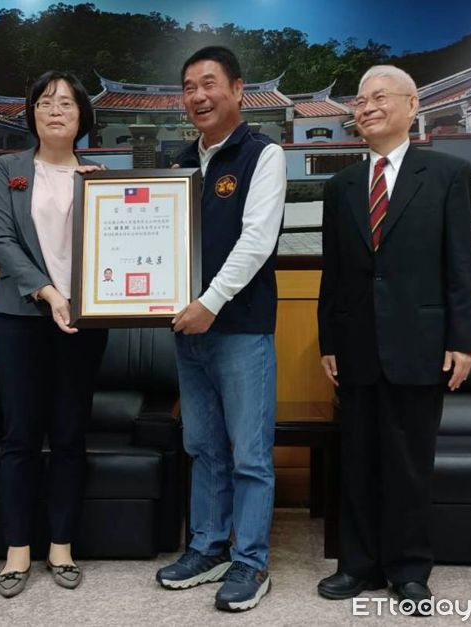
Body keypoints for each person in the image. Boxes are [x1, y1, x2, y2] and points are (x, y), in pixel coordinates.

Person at [316, 65, 471, 609]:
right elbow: (333, 274)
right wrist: (327, 342)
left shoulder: (448, 173)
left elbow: (461, 264)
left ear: (412, 106)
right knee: (357, 460)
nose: (365, 108)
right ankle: (356, 566)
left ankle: (410, 569)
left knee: (410, 463)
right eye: (359, 101)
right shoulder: (340, 186)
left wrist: (464, 339)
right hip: (356, 344)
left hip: (422, 342)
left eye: (378, 97)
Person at [155, 46, 286, 612]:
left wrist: (210, 301)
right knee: (202, 445)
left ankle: (251, 562)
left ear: (237, 89)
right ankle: (207, 546)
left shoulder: (264, 154)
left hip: (241, 328)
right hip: (189, 330)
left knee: (250, 452)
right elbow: (155, 239)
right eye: (188, 87)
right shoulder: (178, 161)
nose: (198, 96)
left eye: (209, 83)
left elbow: (257, 241)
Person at [0, 71, 108, 599]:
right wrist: (49, 293)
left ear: (83, 116)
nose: (55, 110)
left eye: (66, 103)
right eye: (44, 102)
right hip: (19, 318)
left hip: (85, 322)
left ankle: (61, 545)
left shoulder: (100, 176)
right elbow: (3, 242)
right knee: (19, 435)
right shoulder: (6, 170)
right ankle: (17, 549)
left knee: (69, 434)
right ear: (32, 113)